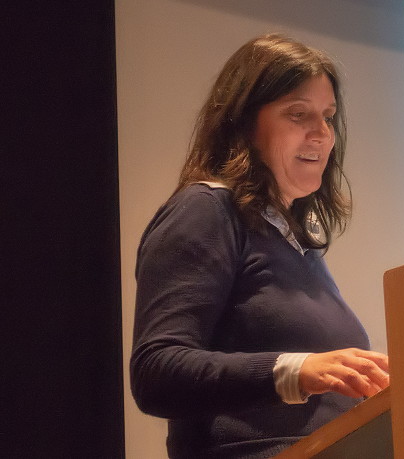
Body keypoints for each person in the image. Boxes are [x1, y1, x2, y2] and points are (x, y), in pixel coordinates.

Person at [130, 33, 390, 458]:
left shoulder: (297, 244)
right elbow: (156, 372)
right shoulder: (207, 209)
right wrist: (299, 370)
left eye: (328, 116)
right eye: (298, 114)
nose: (321, 133)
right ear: (244, 124)